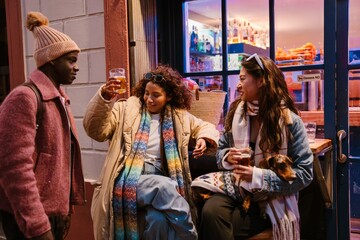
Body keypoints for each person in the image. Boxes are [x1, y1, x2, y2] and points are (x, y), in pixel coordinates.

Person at [83, 65, 219, 240]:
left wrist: (203, 138)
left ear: (169, 96)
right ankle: (190, 235)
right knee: (164, 186)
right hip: (128, 178)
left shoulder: (179, 116)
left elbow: (206, 126)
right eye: (147, 93)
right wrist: (105, 97)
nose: (149, 99)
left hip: (161, 174)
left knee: (159, 219)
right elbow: (96, 131)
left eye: (156, 95)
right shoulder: (126, 109)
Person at [196, 53, 313, 240]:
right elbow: (221, 152)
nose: (238, 85)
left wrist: (258, 176)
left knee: (223, 226)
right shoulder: (237, 114)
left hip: (271, 197)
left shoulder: (290, 122)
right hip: (237, 188)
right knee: (210, 211)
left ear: (260, 81)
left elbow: (305, 174)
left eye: (243, 79)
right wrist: (227, 156)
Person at [0, 12, 85, 240]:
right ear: (51, 61)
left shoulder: (59, 98)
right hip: (29, 219)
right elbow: (14, 168)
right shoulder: (24, 98)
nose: (76, 67)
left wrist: (65, 207)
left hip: (53, 213)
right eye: (71, 60)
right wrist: (38, 226)